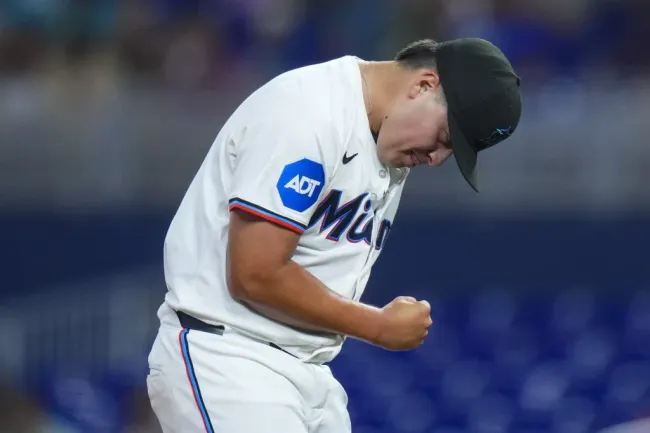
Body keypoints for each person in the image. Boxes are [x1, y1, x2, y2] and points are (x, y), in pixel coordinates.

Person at [147, 37, 522, 433]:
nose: (437, 159)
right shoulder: (310, 112)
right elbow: (254, 272)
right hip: (229, 359)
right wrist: (376, 325)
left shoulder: (387, 135)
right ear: (424, 85)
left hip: (305, 371)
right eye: (446, 138)